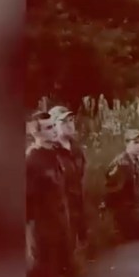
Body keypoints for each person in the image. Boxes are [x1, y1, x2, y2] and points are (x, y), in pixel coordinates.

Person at [26, 111, 75, 277]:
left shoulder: (53, 154)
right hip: (43, 226)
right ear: (36, 133)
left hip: (59, 220)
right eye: (48, 128)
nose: (54, 131)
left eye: (53, 126)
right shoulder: (31, 160)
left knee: (62, 275)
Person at [48, 105, 88, 254]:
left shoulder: (76, 148)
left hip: (77, 202)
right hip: (61, 207)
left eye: (71, 120)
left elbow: (81, 175)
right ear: (53, 126)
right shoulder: (51, 151)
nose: (69, 124)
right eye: (64, 121)